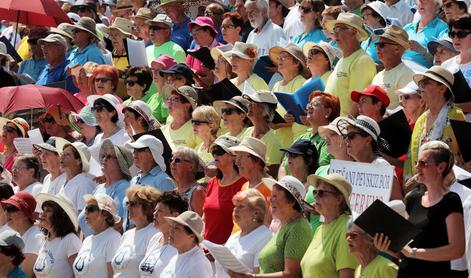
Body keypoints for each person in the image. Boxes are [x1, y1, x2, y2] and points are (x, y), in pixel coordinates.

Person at [380, 141, 465, 276]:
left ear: (441, 167)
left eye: (423, 163)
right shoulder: (413, 198)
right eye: (416, 163)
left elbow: (457, 250)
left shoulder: (450, 201)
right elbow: (405, 250)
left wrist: (414, 253)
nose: (417, 168)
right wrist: (388, 248)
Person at [231, 176, 312, 277]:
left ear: (291, 201)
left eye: (275, 196)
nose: (270, 200)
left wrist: (254, 277)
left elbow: (292, 274)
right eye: (271, 196)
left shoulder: (298, 228)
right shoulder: (286, 226)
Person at [404, 66, 465, 181]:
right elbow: (411, 156)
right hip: (420, 185)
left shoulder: (455, 115)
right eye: (421, 82)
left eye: (426, 82)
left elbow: (461, 155)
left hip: (445, 184)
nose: (421, 86)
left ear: (442, 88)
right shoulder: (421, 119)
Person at [300, 173, 358, 277]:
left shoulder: (346, 228)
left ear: (339, 199)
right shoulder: (320, 229)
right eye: (315, 192)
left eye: (321, 193)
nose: (316, 196)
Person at [324, 12, 376, 116]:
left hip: (341, 127)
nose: (335, 34)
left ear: (353, 32)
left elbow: (358, 101)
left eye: (339, 28)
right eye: (334, 30)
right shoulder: (342, 60)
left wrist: (345, 128)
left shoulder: (362, 60)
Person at [340, 115, 404, 200]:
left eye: (351, 136)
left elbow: (398, 203)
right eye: (345, 136)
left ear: (368, 140)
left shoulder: (381, 166)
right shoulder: (352, 171)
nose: (346, 140)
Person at [279, 91, 339, 178]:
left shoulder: (330, 139)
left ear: (328, 112)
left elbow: (322, 171)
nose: (309, 107)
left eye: (315, 104)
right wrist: (284, 185)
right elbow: (283, 166)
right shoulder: (301, 137)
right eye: (309, 104)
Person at [215, 189, 272, 278]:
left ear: (256, 213)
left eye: (241, 206)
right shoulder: (234, 237)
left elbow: (260, 274)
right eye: (235, 206)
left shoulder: (265, 237)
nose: (235, 210)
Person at [204, 135, 246, 244]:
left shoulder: (244, 184)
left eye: (220, 151)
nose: (215, 155)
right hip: (208, 248)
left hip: (229, 249)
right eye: (214, 151)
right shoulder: (211, 183)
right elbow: (205, 218)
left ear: (233, 156)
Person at [111, 185, 159, 277]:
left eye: (133, 204)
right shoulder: (127, 235)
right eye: (128, 203)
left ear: (147, 207)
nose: (128, 207)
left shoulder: (154, 233)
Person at [269, 43, 309, 148]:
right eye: (279, 58)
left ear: (296, 63)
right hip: (277, 141)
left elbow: (303, 118)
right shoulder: (276, 85)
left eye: (284, 57)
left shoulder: (301, 83)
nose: (279, 60)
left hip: (295, 142)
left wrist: (280, 123)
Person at [138, 191, 187, 277]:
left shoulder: (181, 244)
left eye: (160, 211)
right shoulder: (155, 238)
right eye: (155, 210)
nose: (154, 214)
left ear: (175, 216)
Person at [34, 193, 82, 278]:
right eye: (43, 210)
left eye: (48, 210)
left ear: (60, 216)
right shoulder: (45, 240)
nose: (43, 214)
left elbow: (79, 275)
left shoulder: (70, 239)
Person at [73, 194, 121, 278]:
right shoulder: (87, 240)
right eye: (86, 208)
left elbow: (113, 275)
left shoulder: (113, 238)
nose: (86, 212)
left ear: (105, 214)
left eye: (91, 209)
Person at [372, 25, 415, 109]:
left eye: (381, 45)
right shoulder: (378, 76)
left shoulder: (407, 74)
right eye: (376, 44)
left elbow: (406, 108)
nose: (377, 48)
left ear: (397, 49)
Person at [1, 192, 42, 277]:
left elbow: (26, 274)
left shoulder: (35, 237)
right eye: (5, 208)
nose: (6, 213)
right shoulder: (22, 234)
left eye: (11, 209)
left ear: (25, 214)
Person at [242, 89, 283, 175]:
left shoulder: (273, 142)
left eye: (253, 103)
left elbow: (272, 174)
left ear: (265, 111)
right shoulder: (246, 132)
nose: (249, 105)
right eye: (249, 102)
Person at [160, 211, 213, 277]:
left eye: (176, 228)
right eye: (171, 226)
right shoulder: (176, 257)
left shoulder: (198, 265)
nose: (170, 230)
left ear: (192, 236)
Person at [402, 0, 448, 68]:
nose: (420, 2)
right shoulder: (407, 28)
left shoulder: (443, 28)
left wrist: (422, 50)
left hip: (423, 76)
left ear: (437, 5)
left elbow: (444, 59)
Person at [442, 15, 471, 116]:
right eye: (452, 34)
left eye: (461, 34)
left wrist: (451, 107)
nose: (455, 38)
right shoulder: (446, 65)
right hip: (451, 127)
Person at [57, 141, 96, 212]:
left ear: (79, 161)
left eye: (67, 154)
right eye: (62, 153)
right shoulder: (65, 182)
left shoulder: (84, 184)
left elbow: (84, 217)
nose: (61, 157)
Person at [170, 147, 205, 216]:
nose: (172, 163)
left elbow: (204, 223)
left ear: (191, 166)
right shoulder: (173, 192)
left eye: (177, 160)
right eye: (171, 160)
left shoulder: (197, 192)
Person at [147, 55, 176, 124]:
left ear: (169, 75)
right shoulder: (153, 97)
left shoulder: (171, 99)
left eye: (159, 70)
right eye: (153, 69)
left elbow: (168, 125)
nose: (154, 72)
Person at [359, 1, 389, 65]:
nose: (364, 19)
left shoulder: (389, 39)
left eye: (367, 15)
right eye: (363, 16)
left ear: (378, 17)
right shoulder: (365, 40)